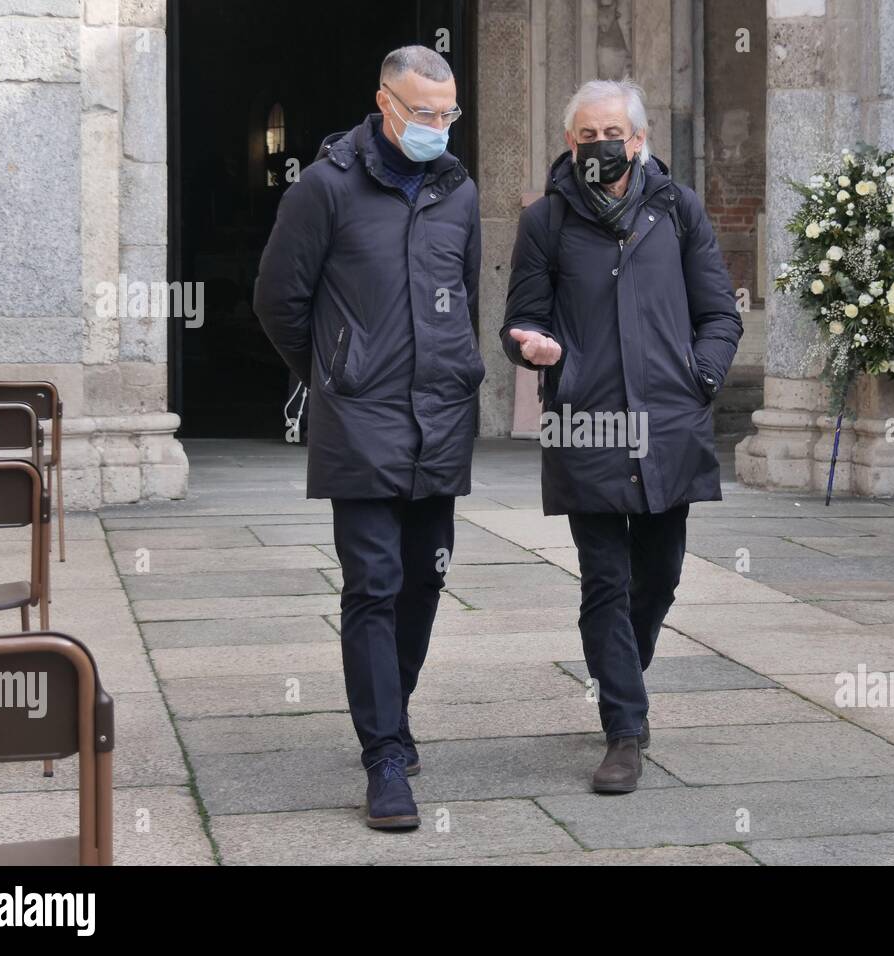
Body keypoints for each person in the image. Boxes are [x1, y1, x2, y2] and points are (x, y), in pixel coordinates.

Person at [254, 45, 482, 830]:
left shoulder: (458, 190)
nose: (438, 129)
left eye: (448, 115)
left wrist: (458, 365)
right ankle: (384, 756)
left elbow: (463, 293)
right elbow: (278, 300)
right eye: (424, 114)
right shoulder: (324, 189)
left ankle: (393, 706)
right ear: (384, 104)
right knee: (374, 584)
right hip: (360, 419)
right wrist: (335, 372)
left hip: (442, 417)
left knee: (426, 579)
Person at [501, 78, 741, 793]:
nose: (598, 145)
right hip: (588, 422)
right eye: (584, 135)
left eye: (611, 133)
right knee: (606, 580)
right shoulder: (545, 222)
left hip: (668, 421)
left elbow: (720, 315)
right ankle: (624, 730)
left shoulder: (677, 208)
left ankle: (617, 678)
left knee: (659, 576)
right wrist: (533, 348)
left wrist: (698, 379)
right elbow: (522, 320)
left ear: (638, 141)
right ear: (570, 142)